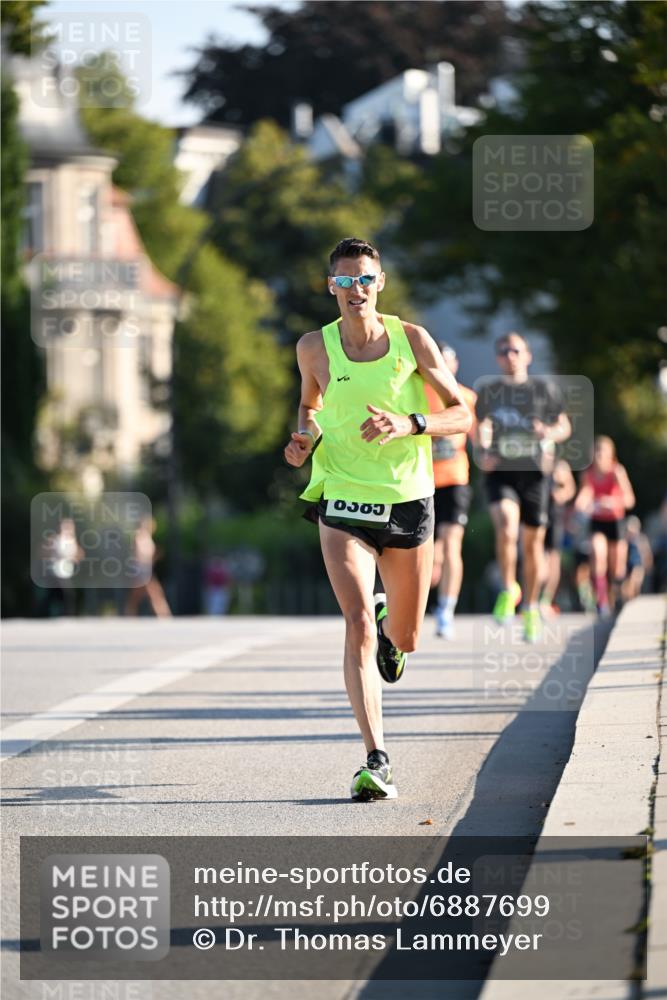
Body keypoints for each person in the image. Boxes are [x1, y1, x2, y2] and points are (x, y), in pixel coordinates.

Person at [284, 237, 471, 802]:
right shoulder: (313, 347)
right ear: (330, 287)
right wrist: (302, 441)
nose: (355, 290)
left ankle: (396, 628)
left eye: (365, 280)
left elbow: (459, 414)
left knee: (405, 637)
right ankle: (376, 758)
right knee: (357, 623)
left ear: (380, 282)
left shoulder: (412, 340)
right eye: (344, 281)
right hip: (340, 496)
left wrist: (410, 422)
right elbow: (311, 407)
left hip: (408, 499)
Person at [475, 332, 571, 642]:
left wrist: (548, 432)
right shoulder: (491, 391)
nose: (509, 355)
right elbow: (480, 427)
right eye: (503, 351)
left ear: (527, 355)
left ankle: (529, 606)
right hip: (501, 472)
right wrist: (483, 450)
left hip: (534, 474)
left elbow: (564, 426)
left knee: (532, 546)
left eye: (515, 350)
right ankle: (507, 589)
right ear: (498, 358)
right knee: (506, 525)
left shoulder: (543, 390)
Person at [423, 343, 477, 639]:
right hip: (422, 481)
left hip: (455, 479)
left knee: (451, 543)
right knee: (431, 552)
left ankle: (446, 610)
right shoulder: (419, 392)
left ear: (454, 366)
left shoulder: (466, 397)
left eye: (448, 362)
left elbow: (479, 435)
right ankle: (416, 605)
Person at [574, 436, 635, 616]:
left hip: (616, 522)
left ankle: (617, 598)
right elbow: (585, 494)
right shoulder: (588, 474)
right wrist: (581, 504)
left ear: (611, 455)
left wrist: (613, 502)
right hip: (598, 522)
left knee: (617, 568)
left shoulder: (617, 472)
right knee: (597, 553)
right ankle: (602, 602)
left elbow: (630, 500)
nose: (599, 456)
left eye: (603, 452)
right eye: (596, 451)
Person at [540, 458, 576, 615]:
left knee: (553, 561)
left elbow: (570, 489)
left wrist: (559, 494)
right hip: (536, 516)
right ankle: (533, 600)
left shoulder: (561, 465)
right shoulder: (533, 460)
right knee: (538, 561)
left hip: (555, 518)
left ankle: (545, 600)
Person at [125, 516, 172, 617]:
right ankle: (164, 615)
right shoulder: (138, 536)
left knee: (136, 597)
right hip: (141, 570)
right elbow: (137, 554)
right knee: (154, 593)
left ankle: (129, 615)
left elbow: (149, 555)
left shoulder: (147, 537)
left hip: (146, 570)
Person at [622, 516, 653, 602]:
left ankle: (634, 598)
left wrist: (648, 565)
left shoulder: (641, 539)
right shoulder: (624, 540)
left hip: (638, 564)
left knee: (636, 583)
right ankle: (628, 600)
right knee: (627, 584)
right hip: (627, 565)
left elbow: (647, 553)